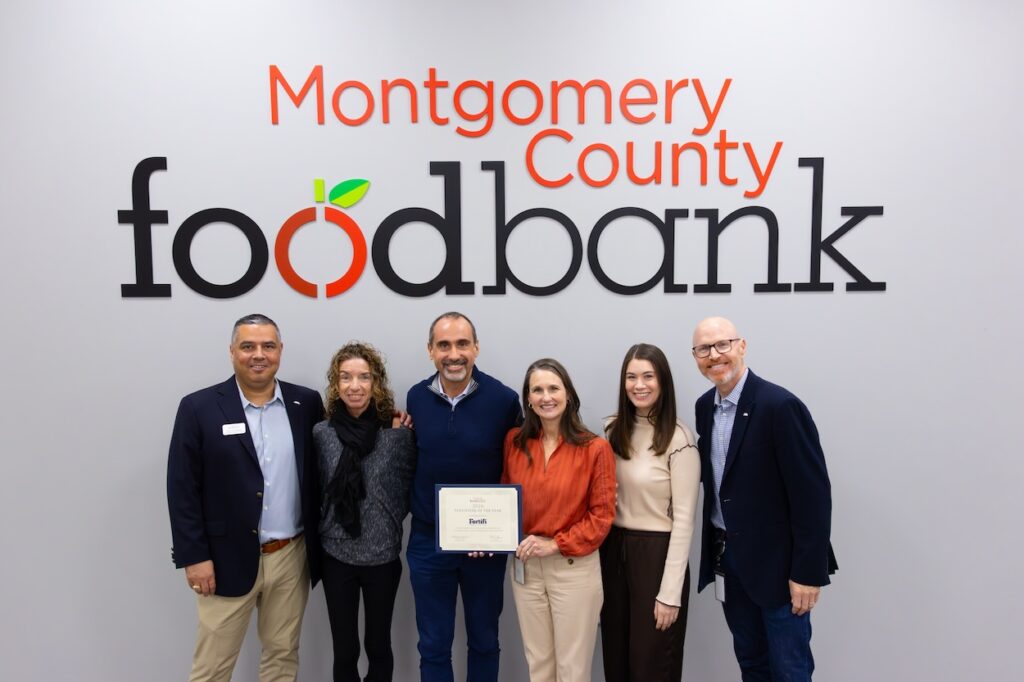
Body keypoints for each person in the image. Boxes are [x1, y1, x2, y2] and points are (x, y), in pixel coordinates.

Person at [166, 313, 324, 682]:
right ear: (232, 351)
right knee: (213, 666)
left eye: (268, 346)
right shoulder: (199, 408)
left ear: (280, 351)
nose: (259, 355)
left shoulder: (306, 404)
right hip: (222, 559)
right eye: (248, 346)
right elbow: (182, 488)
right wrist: (195, 556)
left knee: (282, 656)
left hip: (290, 555)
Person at [690, 317, 837, 681]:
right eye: (704, 349)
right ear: (695, 357)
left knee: (790, 669)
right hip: (731, 562)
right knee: (752, 663)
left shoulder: (780, 406)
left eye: (723, 344)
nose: (715, 355)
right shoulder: (703, 407)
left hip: (781, 569)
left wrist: (807, 571)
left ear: (742, 346)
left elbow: (813, 496)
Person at [405, 312, 523, 682]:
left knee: (485, 640)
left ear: (476, 348)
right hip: (428, 541)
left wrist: (495, 533)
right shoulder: (416, 398)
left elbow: (516, 470)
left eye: (461, 344)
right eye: (444, 345)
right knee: (434, 645)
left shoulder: (504, 400)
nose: (453, 354)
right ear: (430, 351)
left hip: (484, 545)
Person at [502, 358, 616, 682]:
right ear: (527, 398)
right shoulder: (514, 443)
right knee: (538, 667)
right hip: (526, 570)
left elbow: (602, 517)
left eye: (553, 388)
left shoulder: (595, 448)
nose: (546, 396)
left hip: (573, 570)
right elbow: (503, 500)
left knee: (572, 670)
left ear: (568, 395)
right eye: (537, 389)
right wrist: (485, 536)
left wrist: (555, 544)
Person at [313, 342, 416, 682]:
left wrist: (383, 525)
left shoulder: (397, 434)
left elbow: (405, 491)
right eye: (345, 377)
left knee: (378, 646)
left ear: (376, 383)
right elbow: (316, 491)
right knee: (345, 650)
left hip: (382, 557)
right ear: (335, 384)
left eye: (363, 377)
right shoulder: (321, 434)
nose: (354, 386)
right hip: (336, 554)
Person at [600, 343, 701, 681]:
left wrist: (670, 593)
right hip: (613, 553)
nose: (638, 385)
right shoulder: (612, 431)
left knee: (651, 665)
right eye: (631, 377)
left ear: (663, 383)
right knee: (616, 658)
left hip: (656, 557)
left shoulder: (680, 439)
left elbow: (685, 519)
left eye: (648, 376)